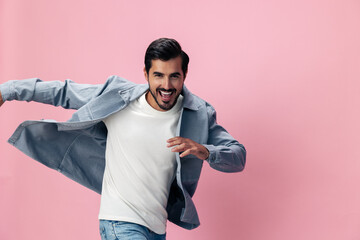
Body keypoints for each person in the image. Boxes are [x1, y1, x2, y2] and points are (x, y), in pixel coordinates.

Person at [0, 38, 246, 240]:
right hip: (121, 221)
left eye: (174, 76)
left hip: (158, 229)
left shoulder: (199, 114)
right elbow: (64, 91)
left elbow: (238, 156)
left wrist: (205, 150)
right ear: (146, 73)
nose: (166, 85)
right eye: (158, 75)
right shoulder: (118, 98)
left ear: (185, 74)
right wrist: (7, 90)